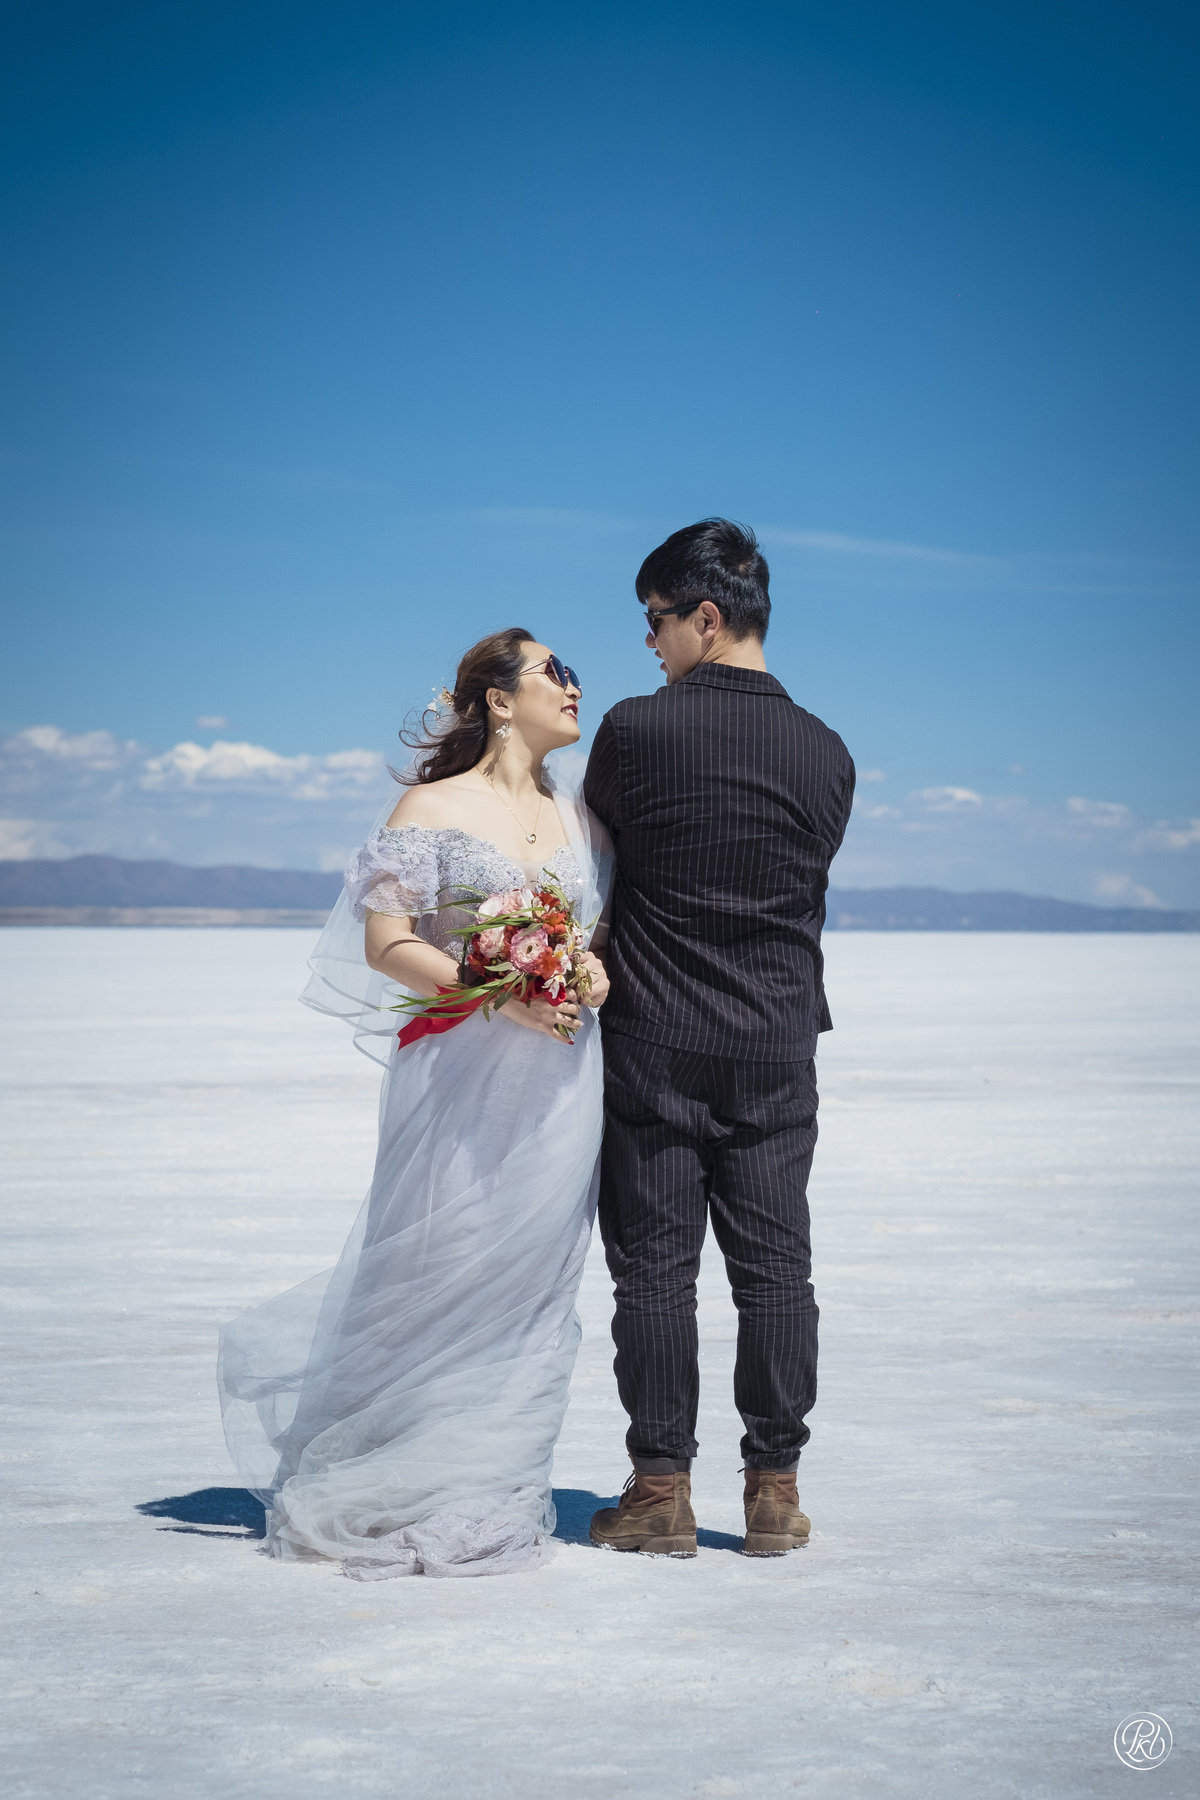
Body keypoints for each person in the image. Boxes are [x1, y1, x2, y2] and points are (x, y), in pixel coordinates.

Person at [218, 629, 612, 1579]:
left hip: (562, 1078)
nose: (572, 685)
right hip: (462, 1066)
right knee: (444, 1257)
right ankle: (407, 1479)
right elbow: (387, 942)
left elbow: (585, 934)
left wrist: (585, 971)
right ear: (495, 700)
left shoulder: (581, 817)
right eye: (552, 672)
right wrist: (498, 989)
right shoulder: (432, 807)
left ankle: (497, 1487)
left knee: (533, 1281)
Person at [584, 520, 855, 1558]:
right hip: (780, 1039)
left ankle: (661, 1495)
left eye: (654, 621)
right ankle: (774, 1492)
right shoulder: (827, 751)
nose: (649, 643)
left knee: (656, 1274)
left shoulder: (636, 730)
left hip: (658, 1034)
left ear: (705, 615)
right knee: (777, 1272)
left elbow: (603, 861)